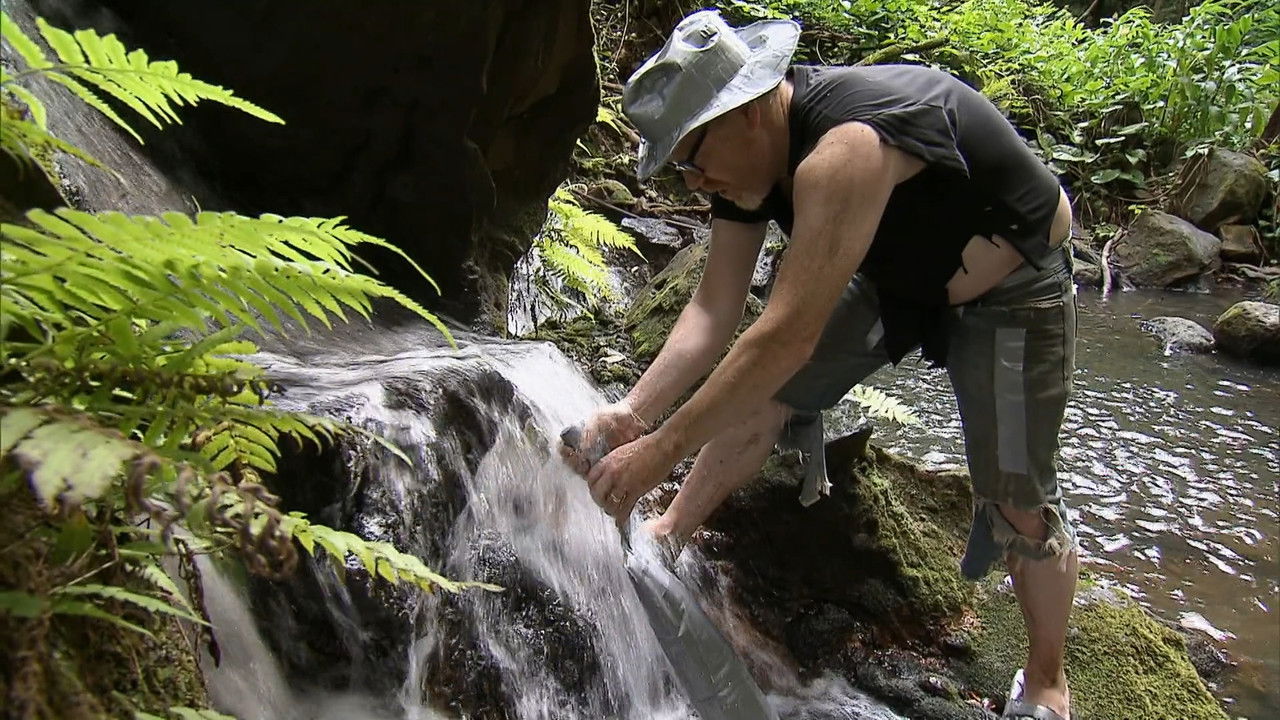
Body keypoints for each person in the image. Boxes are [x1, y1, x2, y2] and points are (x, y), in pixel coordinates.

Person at [560, 10, 1078, 720]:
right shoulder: (744, 168)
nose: (693, 182)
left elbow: (785, 338)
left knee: (1017, 497)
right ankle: (669, 535)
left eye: (693, 158)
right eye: (681, 166)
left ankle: (1047, 683)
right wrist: (631, 415)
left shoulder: (846, 146)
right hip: (893, 276)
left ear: (746, 110)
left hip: (1013, 287)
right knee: (762, 393)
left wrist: (660, 451)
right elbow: (712, 310)